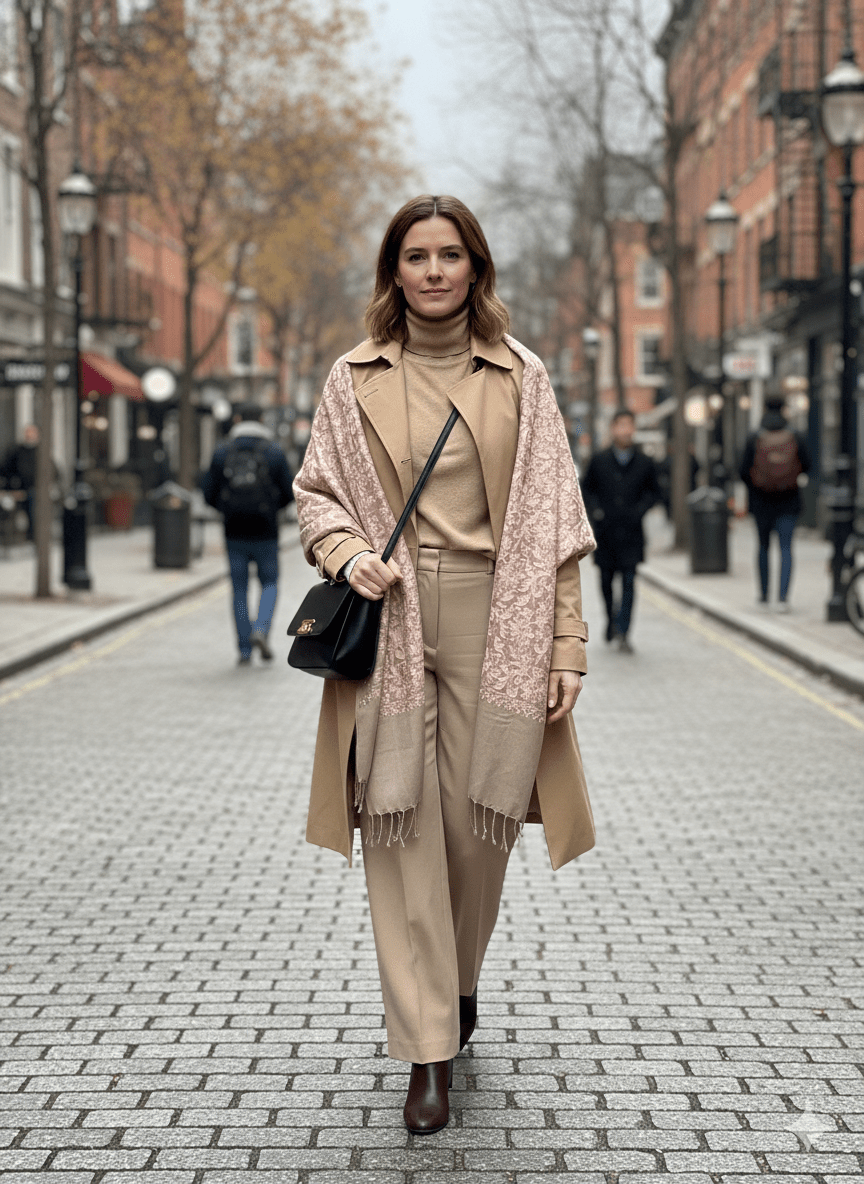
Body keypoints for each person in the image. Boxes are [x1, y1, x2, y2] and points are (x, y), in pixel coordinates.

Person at [293, 195, 596, 1135]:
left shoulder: (522, 379)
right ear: (393, 272)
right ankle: (427, 1046)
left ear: (475, 268)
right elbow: (316, 497)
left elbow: (553, 526)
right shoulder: (352, 378)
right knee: (400, 823)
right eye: (414, 256)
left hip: (492, 614)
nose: (432, 271)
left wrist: (567, 644)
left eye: (448, 255)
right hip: (388, 617)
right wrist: (348, 554)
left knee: (479, 826)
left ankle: (457, 984)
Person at [202, 402, 294, 664]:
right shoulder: (274, 452)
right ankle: (261, 629)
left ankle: (244, 649)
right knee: (270, 583)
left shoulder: (222, 451)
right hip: (266, 531)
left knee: (239, 588)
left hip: (234, 532)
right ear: (262, 419)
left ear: (238, 419)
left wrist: (226, 509)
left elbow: (208, 492)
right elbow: (289, 492)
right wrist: (272, 509)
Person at [581, 409, 660, 652]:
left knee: (628, 581)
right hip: (605, 532)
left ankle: (624, 630)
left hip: (632, 532)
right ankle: (611, 619)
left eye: (630, 425)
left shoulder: (645, 461)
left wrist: (640, 510)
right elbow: (586, 490)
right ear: (613, 429)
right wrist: (596, 512)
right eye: (621, 425)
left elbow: (654, 492)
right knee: (605, 581)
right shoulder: (599, 460)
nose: (626, 430)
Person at [739, 395, 810, 612]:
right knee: (786, 548)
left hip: (761, 501)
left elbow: (742, 470)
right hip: (788, 500)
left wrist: (757, 486)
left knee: (762, 547)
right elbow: (807, 465)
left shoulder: (755, 436)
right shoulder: (795, 435)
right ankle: (783, 598)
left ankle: (763, 596)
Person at [1, 424, 43, 540]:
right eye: (27, 434)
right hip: (19, 489)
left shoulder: (41, 452)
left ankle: (34, 534)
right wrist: (11, 488)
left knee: (34, 501)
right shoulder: (17, 452)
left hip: (36, 490)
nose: (29, 436)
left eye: (32, 434)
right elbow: (6, 471)